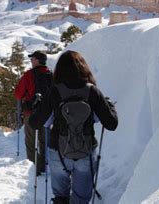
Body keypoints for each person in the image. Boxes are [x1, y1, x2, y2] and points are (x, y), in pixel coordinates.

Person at [29, 50, 118, 204]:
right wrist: (110, 106)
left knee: (60, 198)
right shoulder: (92, 91)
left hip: (58, 150)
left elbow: (35, 123)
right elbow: (111, 124)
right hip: (85, 150)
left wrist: (38, 107)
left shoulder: (54, 91)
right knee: (81, 199)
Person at [14, 50, 52, 175]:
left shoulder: (29, 75)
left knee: (30, 140)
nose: (31, 61)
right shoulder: (51, 74)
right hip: (47, 113)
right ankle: (44, 165)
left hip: (31, 112)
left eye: (32, 59)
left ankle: (34, 167)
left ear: (37, 60)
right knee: (44, 140)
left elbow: (18, 93)